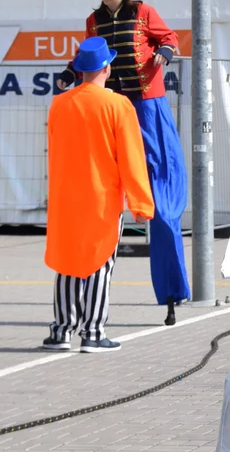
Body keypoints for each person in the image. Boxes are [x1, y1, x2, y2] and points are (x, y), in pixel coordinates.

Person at [57, 0, 188, 326]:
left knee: (161, 206)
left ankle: (172, 290)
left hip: (148, 106)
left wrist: (165, 52)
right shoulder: (94, 21)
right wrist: (69, 74)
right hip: (112, 106)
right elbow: (87, 56)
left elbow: (170, 39)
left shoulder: (143, 12)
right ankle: (82, 305)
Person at [43, 37, 155, 353]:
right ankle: (92, 332)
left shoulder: (60, 103)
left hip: (66, 197)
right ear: (107, 68)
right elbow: (131, 157)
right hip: (102, 198)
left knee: (67, 262)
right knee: (99, 264)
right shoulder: (118, 105)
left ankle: (61, 331)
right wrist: (141, 202)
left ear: (79, 70)